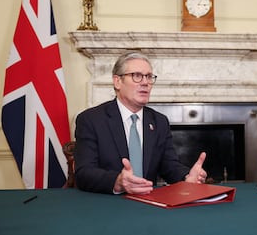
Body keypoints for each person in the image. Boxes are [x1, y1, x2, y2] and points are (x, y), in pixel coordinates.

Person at [74, 52, 207, 194]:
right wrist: (117, 182)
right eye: (137, 76)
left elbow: (169, 166)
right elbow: (84, 173)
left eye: (149, 77)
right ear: (117, 81)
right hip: (108, 205)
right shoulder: (91, 120)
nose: (145, 83)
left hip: (149, 204)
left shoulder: (159, 121)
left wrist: (187, 177)